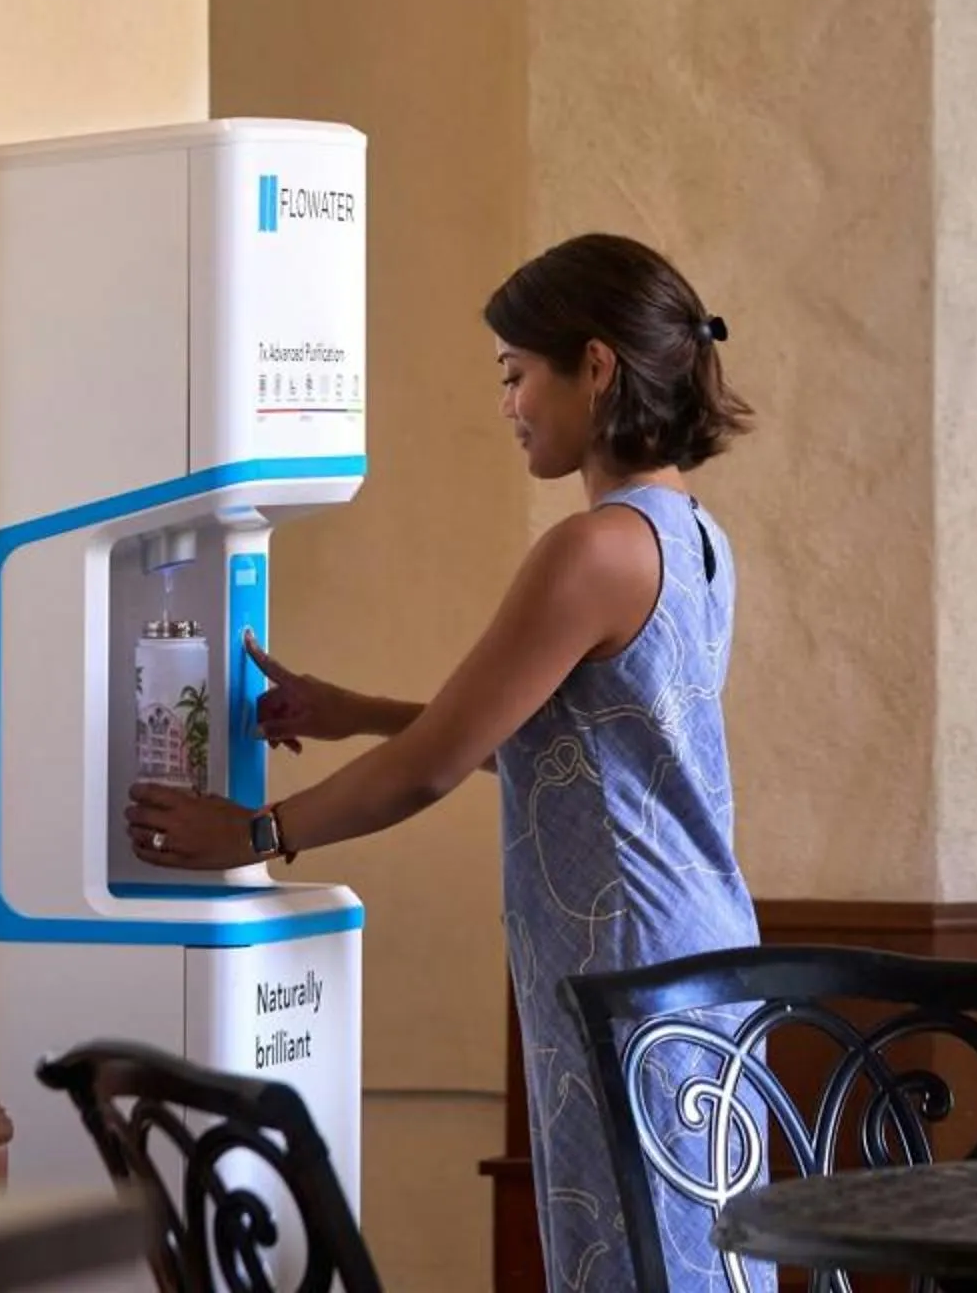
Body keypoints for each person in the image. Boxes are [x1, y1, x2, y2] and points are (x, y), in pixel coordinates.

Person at [127, 233, 760, 1293]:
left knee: (633, 1264)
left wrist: (256, 832)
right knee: (693, 1262)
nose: (508, 404)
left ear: (595, 366)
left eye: (516, 373)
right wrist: (356, 713)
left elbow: (439, 762)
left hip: (626, 965)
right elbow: (572, 747)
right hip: (700, 953)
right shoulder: (695, 536)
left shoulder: (592, 549)